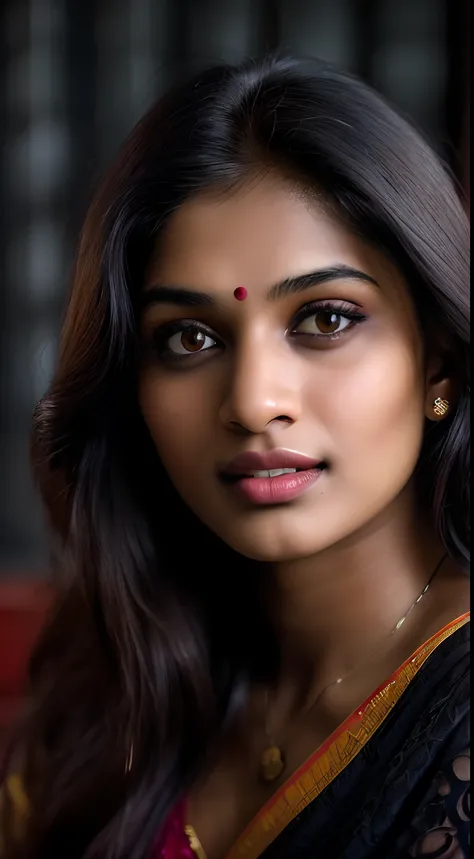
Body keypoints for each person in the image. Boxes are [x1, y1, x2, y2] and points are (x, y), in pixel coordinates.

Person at [0, 55, 469, 859]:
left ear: (437, 361)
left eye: (324, 319)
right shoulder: (122, 672)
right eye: (190, 337)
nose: (254, 401)